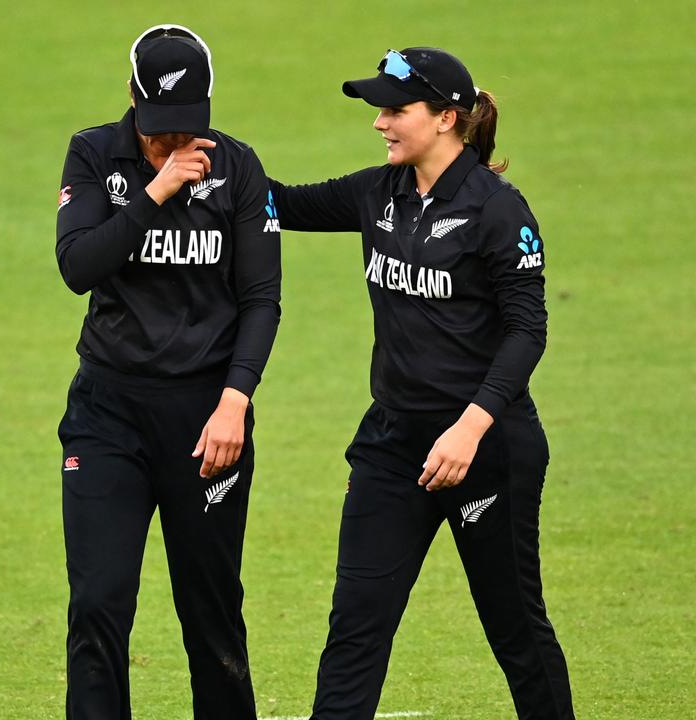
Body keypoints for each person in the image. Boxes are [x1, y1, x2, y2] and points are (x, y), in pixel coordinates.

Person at [268, 48, 575, 719]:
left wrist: (471, 426)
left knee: (516, 631)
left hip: (487, 450)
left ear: (446, 117)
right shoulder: (380, 192)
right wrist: (203, 160)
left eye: (394, 109)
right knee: (355, 629)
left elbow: (528, 332)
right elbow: (281, 203)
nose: (379, 123)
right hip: (393, 448)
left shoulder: (499, 212)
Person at [53, 23, 280, 720]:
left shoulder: (240, 168)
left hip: (207, 418)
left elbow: (261, 301)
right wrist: (153, 191)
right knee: (98, 604)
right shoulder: (94, 155)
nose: (174, 144)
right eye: (158, 129)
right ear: (132, 97)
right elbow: (77, 265)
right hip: (108, 415)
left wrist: (234, 402)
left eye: (186, 130)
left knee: (211, 614)